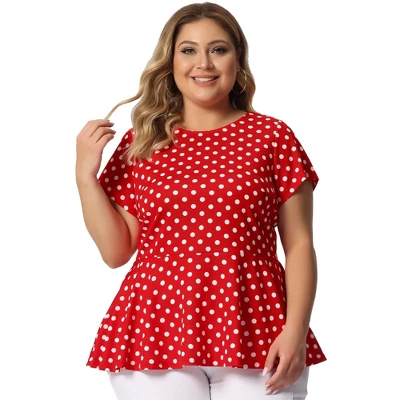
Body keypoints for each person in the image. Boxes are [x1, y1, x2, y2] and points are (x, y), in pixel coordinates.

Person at [75, 2, 327, 399]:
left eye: (218, 49)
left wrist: (294, 331)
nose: (204, 63)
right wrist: (84, 177)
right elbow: (116, 252)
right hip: (155, 327)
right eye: (188, 50)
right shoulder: (142, 142)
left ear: (238, 59)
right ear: (170, 62)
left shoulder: (273, 137)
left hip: (257, 325)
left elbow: (299, 244)